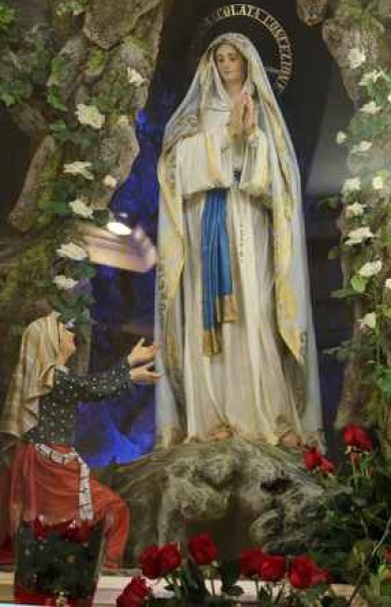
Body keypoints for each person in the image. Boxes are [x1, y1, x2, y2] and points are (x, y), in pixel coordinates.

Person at [155, 32, 322, 447]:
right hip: (205, 220)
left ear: (247, 62)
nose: (227, 64)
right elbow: (173, 168)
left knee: (255, 309)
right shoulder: (197, 114)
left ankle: (266, 416)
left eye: (233, 57)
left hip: (249, 217)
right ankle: (213, 417)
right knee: (206, 312)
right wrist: (224, 135)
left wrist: (250, 138)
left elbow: (279, 179)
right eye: (221, 58)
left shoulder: (263, 112)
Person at [0, 311, 159, 567]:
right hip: (50, 466)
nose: (70, 333)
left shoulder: (52, 378)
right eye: (63, 330)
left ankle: (79, 568)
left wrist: (130, 363)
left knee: (63, 524)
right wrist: (130, 370)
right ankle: (104, 569)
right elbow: (93, 388)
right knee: (112, 508)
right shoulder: (52, 379)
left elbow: (90, 386)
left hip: (48, 462)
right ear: (51, 342)